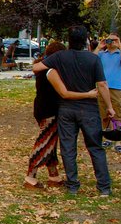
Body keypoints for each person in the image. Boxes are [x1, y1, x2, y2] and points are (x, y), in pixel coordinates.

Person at [32, 25, 115, 196]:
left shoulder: (60, 57)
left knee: (68, 148)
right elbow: (102, 85)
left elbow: (36, 68)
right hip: (89, 108)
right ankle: (104, 187)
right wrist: (109, 107)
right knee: (95, 147)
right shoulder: (93, 59)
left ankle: (72, 186)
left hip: (67, 109)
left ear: (68, 40)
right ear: (85, 40)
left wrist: (52, 69)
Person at [24, 41, 98, 190]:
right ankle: (30, 177)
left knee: (51, 143)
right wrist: (87, 94)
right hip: (49, 110)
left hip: (44, 108)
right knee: (44, 142)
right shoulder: (51, 71)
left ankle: (54, 175)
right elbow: (64, 93)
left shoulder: (43, 66)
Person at [95, 33, 121, 130]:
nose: (111, 42)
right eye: (109, 40)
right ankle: (106, 136)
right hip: (102, 87)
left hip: (116, 87)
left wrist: (120, 45)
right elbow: (91, 60)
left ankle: (117, 140)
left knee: (117, 115)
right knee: (103, 115)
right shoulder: (102, 54)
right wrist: (99, 47)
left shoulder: (120, 53)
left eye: (113, 40)